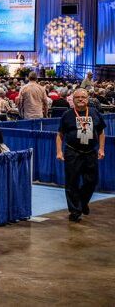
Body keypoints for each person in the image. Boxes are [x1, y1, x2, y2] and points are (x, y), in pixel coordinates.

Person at [56, 88, 106, 222]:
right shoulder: (67, 115)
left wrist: (101, 149)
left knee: (92, 181)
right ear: (72, 99)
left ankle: (82, 203)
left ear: (88, 99)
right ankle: (75, 211)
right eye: (77, 97)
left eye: (83, 97)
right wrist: (59, 151)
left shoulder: (95, 113)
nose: (80, 99)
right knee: (72, 182)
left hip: (90, 152)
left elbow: (101, 132)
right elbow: (60, 135)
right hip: (73, 152)